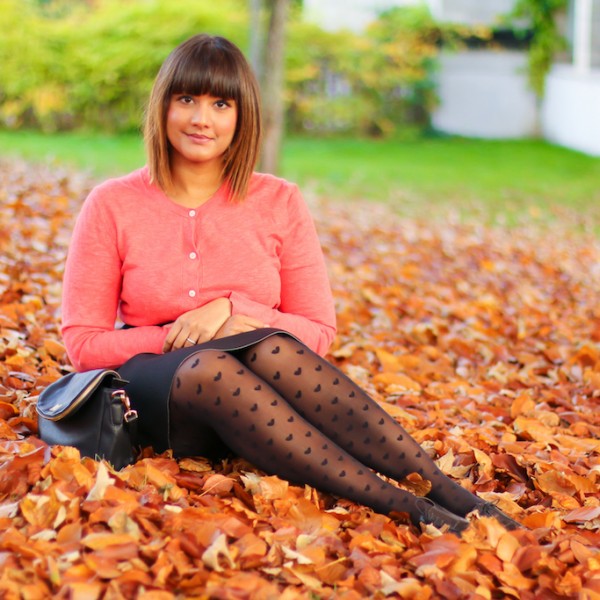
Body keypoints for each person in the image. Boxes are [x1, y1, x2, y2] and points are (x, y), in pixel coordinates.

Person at [61, 33, 521, 535]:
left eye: (221, 104)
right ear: (163, 106)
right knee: (210, 364)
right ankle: (417, 512)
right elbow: (82, 344)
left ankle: (452, 495)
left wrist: (231, 310)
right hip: (158, 400)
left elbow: (318, 331)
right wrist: (183, 336)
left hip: (260, 412)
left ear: (243, 116)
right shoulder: (112, 204)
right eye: (186, 99)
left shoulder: (278, 201)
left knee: (271, 347)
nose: (201, 119)